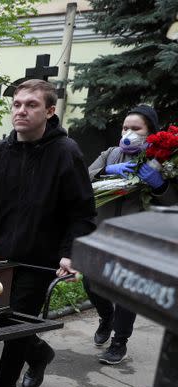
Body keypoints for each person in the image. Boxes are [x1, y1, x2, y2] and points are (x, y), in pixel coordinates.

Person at [0, 79, 96, 387]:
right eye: (17, 104)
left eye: (31, 105)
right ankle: (39, 353)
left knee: (13, 324)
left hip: (39, 259)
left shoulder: (66, 153)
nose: (21, 110)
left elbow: (83, 213)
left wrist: (69, 253)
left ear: (50, 111)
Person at [84, 105, 177, 364]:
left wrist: (161, 185)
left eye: (136, 129)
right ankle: (106, 317)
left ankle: (119, 342)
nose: (128, 133)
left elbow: (172, 205)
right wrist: (106, 173)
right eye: (125, 128)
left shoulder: (163, 161)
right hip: (103, 231)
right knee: (91, 283)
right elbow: (82, 179)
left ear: (150, 133)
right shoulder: (111, 154)